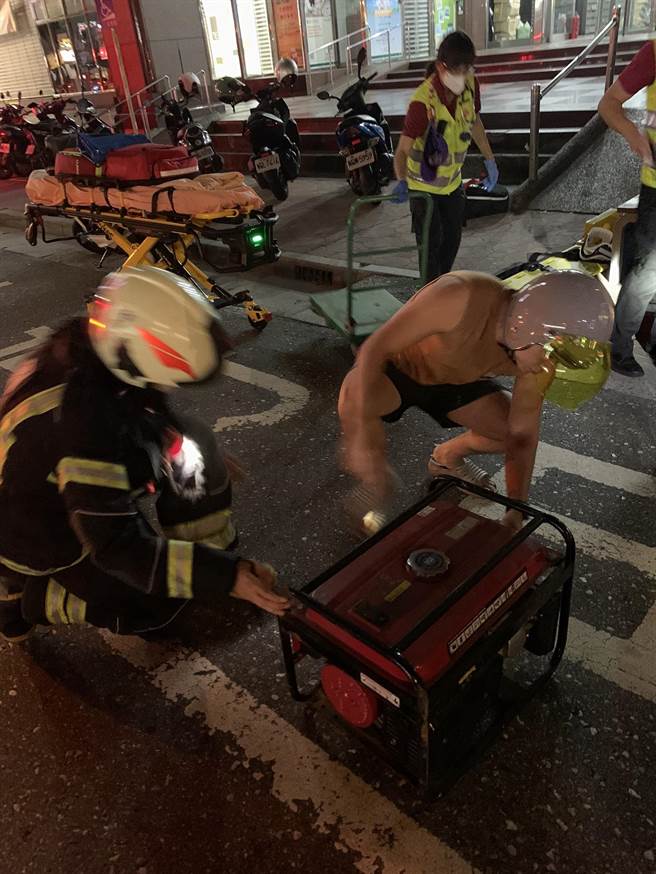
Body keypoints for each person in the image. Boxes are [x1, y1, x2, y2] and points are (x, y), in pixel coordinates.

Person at [0, 267, 289, 643]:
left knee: (193, 445)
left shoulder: (91, 349)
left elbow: (141, 403)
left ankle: (203, 551)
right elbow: (117, 547)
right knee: (168, 609)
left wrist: (213, 566)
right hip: (38, 534)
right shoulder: (83, 425)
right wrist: (226, 577)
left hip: (55, 487)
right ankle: (32, 599)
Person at [338, 270, 614, 531]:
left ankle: (446, 458)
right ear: (528, 328)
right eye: (553, 345)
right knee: (354, 396)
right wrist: (360, 440)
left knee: (507, 433)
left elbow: (522, 435)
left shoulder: (534, 354)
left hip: (458, 379)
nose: (550, 361)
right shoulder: (460, 295)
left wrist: (515, 509)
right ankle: (373, 481)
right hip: (400, 367)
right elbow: (375, 347)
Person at [392, 31, 498, 282]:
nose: (463, 76)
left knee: (451, 240)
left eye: (467, 68)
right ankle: (429, 298)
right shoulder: (422, 102)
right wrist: (402, 180)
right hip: (422, 187)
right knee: (430, 246)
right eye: (458, 70)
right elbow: (402, 150)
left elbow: (475, 123)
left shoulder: (471, 85)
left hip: (451, 184)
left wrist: (490, 159)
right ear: (442, 67)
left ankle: (439, 289)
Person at [598, 39, 656, 377]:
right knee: (649, 273)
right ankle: (620, 347)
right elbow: (609, 105)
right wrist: (635, 137)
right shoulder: (653, 54)